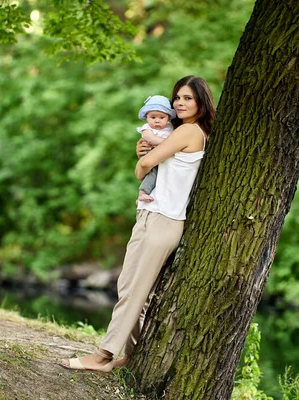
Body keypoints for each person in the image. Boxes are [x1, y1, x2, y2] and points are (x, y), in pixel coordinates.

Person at [61, 75, 216, 372]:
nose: (180, 103)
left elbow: (144, 164)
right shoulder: (176, 132)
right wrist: (144, 157)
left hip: (165, 221)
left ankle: (103, 355)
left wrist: (145, 155)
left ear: (201, 103)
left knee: (135, 290)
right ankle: (132, 355)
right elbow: (139, 169)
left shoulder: (189, 132)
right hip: (149, 215)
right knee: (128, 286)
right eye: (177, 98)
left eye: (188, 98)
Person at [136, 95, 177, 203]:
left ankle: (151, 193)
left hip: (162, 154)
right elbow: (152, 139)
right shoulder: (147, 128)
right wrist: (171, 145)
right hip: (149, 152)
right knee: (153, 171)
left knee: (162, 174)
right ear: (146, 117)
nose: (157, 121)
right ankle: (143, 192)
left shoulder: (170, 128)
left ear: (168, 117)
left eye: (161, 117)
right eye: (153, 117)